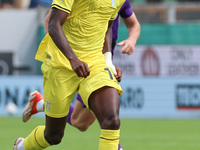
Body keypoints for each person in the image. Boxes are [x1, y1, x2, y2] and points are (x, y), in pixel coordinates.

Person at [21, 0, 140, 150]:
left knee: (112, 120)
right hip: (60, 64)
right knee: (54, 135)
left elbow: (106, 26)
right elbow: (52, 24)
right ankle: (21, 147)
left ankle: (39, 104)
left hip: (95, 62)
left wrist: (107, 62)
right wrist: (71, 58)